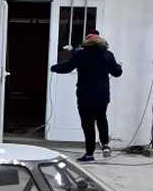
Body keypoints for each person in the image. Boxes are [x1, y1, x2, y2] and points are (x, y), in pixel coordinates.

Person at [51, 29, 124, 163]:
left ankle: (89, 154)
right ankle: (105, 145)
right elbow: (117, 72)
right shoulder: (108, 55)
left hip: (85, 95)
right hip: (102, 95)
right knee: (102, 118)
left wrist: (53, 68)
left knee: (88, 124)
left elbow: (67, 67)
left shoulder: (80, 54)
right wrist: (119, 66)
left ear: (87, 41)